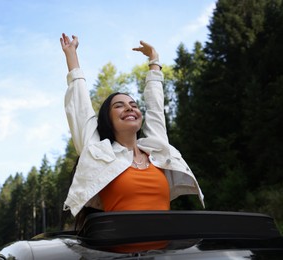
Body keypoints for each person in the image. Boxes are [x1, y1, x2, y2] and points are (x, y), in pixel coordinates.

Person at [60, 33, 204, 226]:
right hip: (120, 255)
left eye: (134, 105)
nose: (130, 108)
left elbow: (155, 109)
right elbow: (80, 109)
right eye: (118, 105)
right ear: (107, 119)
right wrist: (71, 55)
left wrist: (155, 61)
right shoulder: (99, 153)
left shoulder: (157, 151)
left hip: (163, 254)